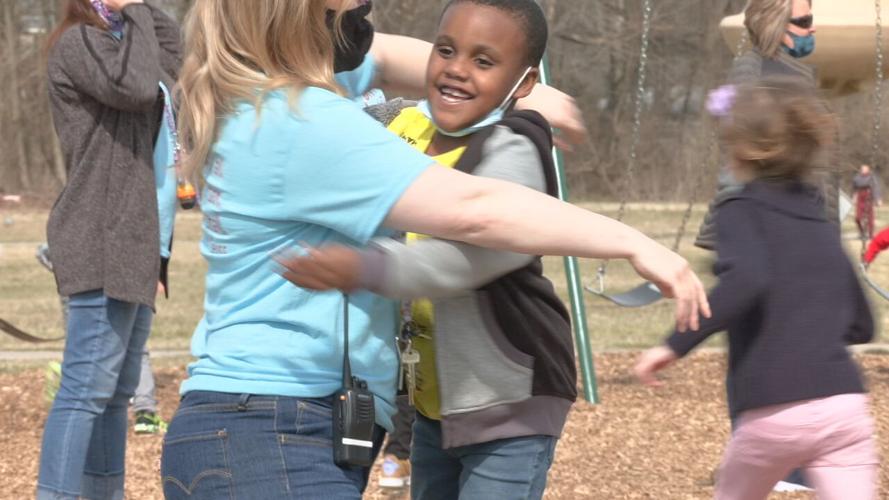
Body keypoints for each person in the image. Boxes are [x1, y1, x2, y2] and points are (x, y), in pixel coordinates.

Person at [159, 1, 710, 499]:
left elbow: (384, 56)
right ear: (303, 16)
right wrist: (633, 242)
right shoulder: (304, 121)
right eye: (349, 11)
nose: (362, 23)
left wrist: (515, 79)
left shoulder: (252, 101)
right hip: (275, 437)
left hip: (237, 429)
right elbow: (479, 211)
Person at [280, 1, 578, 497]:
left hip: (509, 397)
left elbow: (470, 259)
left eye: (484, 62)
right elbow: (328, 127)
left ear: (523, 85)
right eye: (446, 51)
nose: (457, 70)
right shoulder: (406, 126)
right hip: (436, 404)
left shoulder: (514, 146)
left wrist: (367, 267)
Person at [635, 79, 879, 500]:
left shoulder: (739, 210)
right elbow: (862, 323)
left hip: (774, 408)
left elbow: (747, 278)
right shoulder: (819, 223)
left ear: (740, 151)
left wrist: (674, 345)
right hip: (845, 406)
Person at [37, 0, 181, 498]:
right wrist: (137, 10)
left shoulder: (122, 38)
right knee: (84, 390)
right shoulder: (80, 42)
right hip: (99, 230)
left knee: (116, 393)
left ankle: (103, 493)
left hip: (135, 235)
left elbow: (174, 60)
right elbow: (138, 89)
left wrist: (143, 10)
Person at [695, 0, 840, 250]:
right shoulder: (752, 71)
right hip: (772, 230)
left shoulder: (797, 74)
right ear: (774, 26)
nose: (812, 29)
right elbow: (740, 153)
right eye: (804, 22)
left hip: (805, 223)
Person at [853, 164, 882, 240]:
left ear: (868, 170)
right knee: (857, 218)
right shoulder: (856, 178)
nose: (863, 170)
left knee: (870, 217)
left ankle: (871, 234)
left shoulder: (872, 178)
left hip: (868, 197)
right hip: (860, 197)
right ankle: (862, 232)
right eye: (862, 169)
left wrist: (878, 199)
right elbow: (854, 188)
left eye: (865, 169)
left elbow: (876, 188)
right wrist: (854, 196)